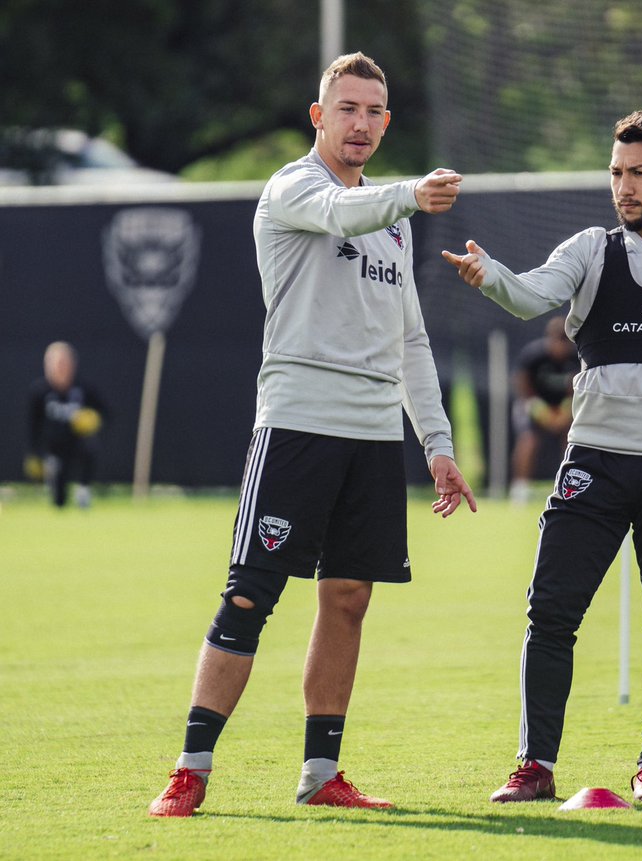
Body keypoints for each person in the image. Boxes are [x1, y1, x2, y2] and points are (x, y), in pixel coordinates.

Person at [149, 52, 477, 818]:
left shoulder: (393, 226)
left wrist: (437, 444)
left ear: (386, 123)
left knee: (350, 596)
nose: (360, 123)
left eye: (374, 112)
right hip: (298, 422)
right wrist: (409, 196)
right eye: (347, 108)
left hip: (370, 440)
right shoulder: (296, 188)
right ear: (318, 116)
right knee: (248, 596)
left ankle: (321, 772)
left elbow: (412, 345)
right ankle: (190, 770)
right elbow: (341, 213)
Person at [442, 109, 642, 803]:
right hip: (594, 465)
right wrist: (490, 274)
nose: (624, 187)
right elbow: (531, 294)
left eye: (639, 173)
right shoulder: (589, 250)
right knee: (550, 612)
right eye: (616, 173)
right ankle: (534, 766)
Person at [508, 315, 579, 504]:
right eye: (557, 341)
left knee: (573, 441)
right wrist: (542, 412)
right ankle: (520, 490)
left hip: (565, 409)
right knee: (529, 440)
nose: (560, 347)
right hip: (533, 405)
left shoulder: (576, 357)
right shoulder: (534, 355)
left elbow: (578, 390)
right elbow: (523, 388)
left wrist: (564, 413)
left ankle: (570, 488)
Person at [26, 341, 105, 508]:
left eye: (63, 362)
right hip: (54, 449)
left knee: (90, 445)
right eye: (55, 363)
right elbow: (33, 425)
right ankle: (57, 491)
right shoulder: (39, 391)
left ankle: (83, 490)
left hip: (78, 444)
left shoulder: (84, 389)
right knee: (59, 501)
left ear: (72, 364)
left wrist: (93, 419)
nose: (59, 367)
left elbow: (106, 413)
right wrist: (35, 454)